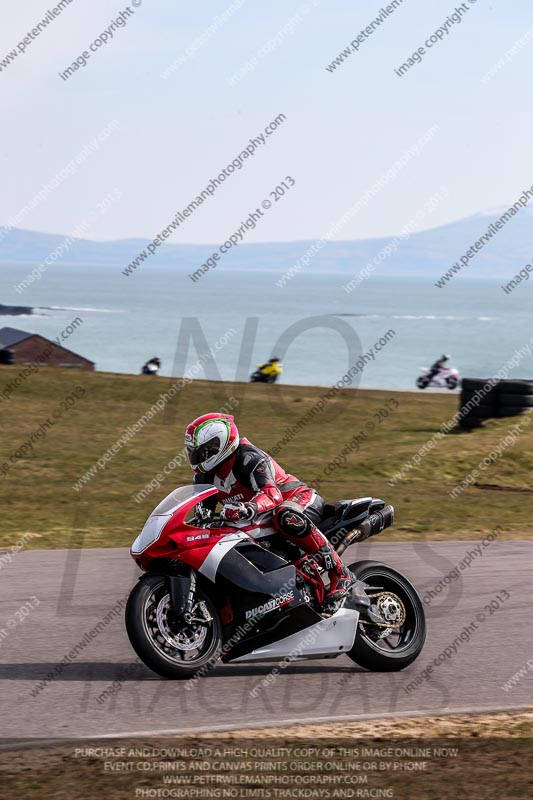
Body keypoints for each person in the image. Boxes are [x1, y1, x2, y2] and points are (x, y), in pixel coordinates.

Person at [184, 413, 353, 611]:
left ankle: (340, 573)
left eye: (203, 451)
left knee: (284, 516)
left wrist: (249, 507)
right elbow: (202, 517)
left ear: (219, 445)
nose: (198, 457)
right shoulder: (204, 478)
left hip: (299, 500)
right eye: (194, 451)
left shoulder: (248, 458)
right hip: (260, 517)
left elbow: (272, 495)